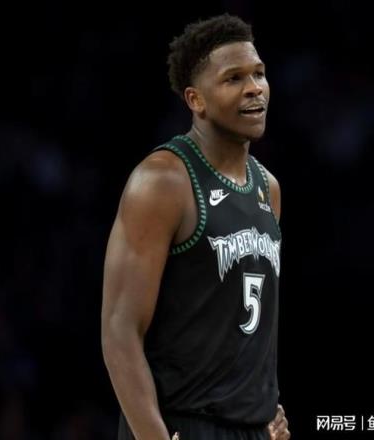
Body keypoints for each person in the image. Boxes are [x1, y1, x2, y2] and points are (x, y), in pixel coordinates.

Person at [101, 13, 289, 440]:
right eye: (233, 78)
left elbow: (243, 326)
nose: (254, 88)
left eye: (259, 73)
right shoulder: (163, 181)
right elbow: (119, 331)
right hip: (179, 423)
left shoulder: (268, 188)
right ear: (196, 99)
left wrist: (263, 410)